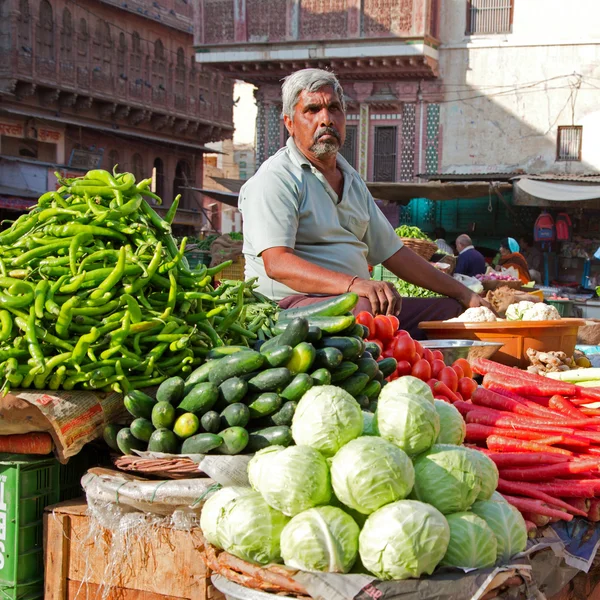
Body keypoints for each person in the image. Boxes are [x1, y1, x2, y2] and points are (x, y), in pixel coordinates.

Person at [238, 68, 491, 338]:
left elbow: (395, 254)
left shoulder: (352, 180)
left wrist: (464, 294)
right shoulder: (275, 178)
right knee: (362, 311)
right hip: (288, 308)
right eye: (312, 110)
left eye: (334, 108)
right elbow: (277, 264)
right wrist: (353, 284)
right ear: (289, 123)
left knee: (453, 314)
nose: (326, 120)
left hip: (357, 302)